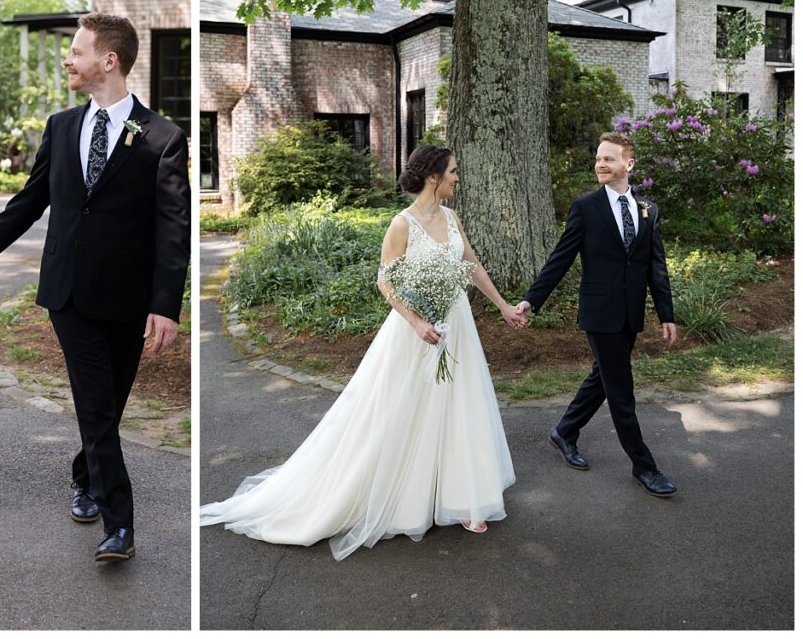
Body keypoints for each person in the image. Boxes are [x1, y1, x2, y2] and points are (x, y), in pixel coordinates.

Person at [0, 13, 191, 563]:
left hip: (128, 299)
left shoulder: (164, 138)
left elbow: (174, 229)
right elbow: (29, 202)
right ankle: (120, 524)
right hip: (68, 294)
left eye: (76, 51)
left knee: (109, 405)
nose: (66, 59)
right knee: (98, 407)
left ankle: (84, 474)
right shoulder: (60, 127)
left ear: (109, 60)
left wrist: (165, 305)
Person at [197, 145, 518, 559]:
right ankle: (406, 496)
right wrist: (417, 321)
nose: (458, 177)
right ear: (434, 177)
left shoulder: (451, 217)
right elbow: (386, 283)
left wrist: (504, 307)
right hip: (415, 333)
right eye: (454, 171)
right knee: (403, 411)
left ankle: (462, 497)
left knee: (459, 408)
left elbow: (470, 266)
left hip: (457, 327)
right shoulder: (401, 224)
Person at [514, 132, 680, 497]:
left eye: (609, 159)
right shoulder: (585, 208)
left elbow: (656, 267)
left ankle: (565, 431)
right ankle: (645, 467)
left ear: (628, 164)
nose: (600, 164)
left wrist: (666, 314)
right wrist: (532, 300)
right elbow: (561, 258)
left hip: (630, 313)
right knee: (621, 391)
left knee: (603, 378)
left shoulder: (648, 210)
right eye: (598, 159)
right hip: (599, 313)